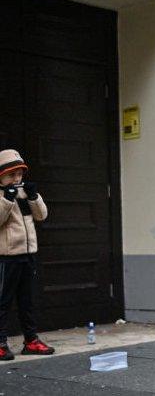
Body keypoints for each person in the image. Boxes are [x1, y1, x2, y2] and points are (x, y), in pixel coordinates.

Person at [0, 149, 56, 360]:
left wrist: (34, 197)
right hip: (7, 256)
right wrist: (7, 199)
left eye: (19, 174)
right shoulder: (3, 194)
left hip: (28, 254)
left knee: (28, 301)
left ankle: (31, 341)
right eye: (11, 175)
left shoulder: (24, 192)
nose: (16, 179)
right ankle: (0, 343)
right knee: (2, 301)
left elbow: (41, 216)